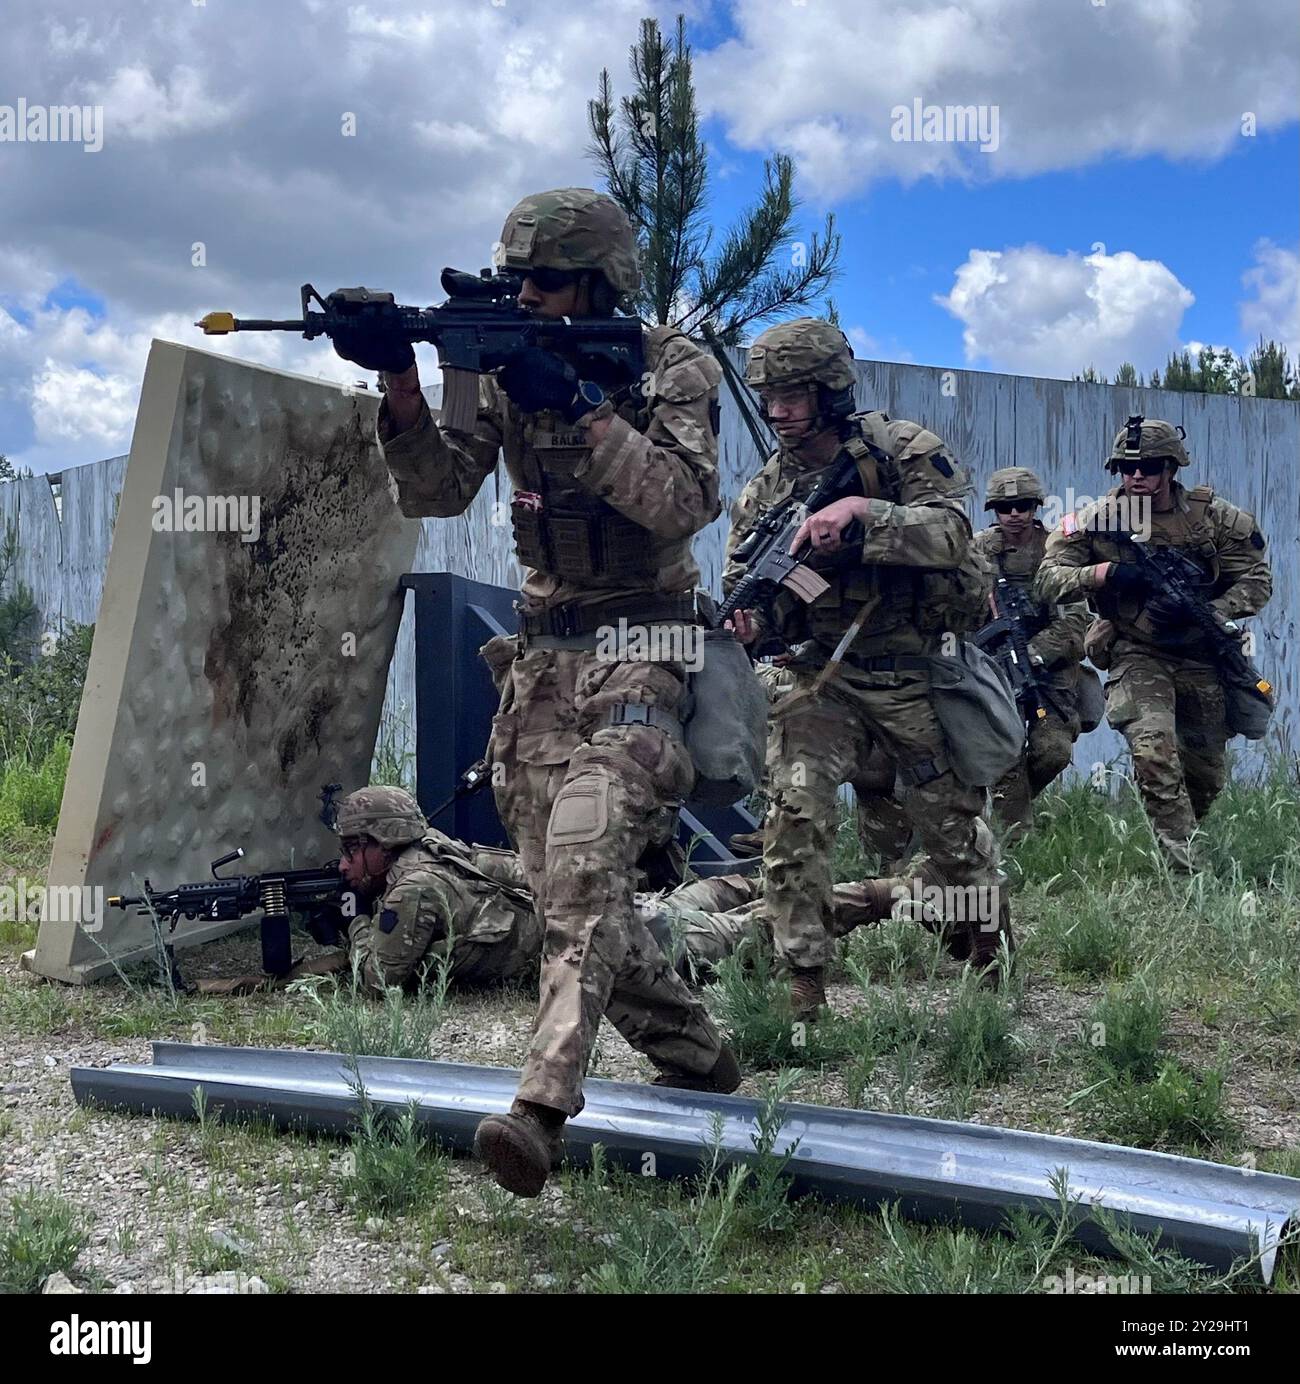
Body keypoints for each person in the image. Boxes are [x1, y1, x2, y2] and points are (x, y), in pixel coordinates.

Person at [334, 188, 738, 1198]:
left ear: (599, 284)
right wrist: (399, 375)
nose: (525, 294)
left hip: (646, 641)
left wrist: (572, 400)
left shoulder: (666, 367)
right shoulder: (499, 366)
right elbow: (437, 487)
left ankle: (541, 1105)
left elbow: (682, 501)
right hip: (542, 662)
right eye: (514, 279)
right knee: (572, 898)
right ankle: (698, 1053)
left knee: (588, 854)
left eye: (545, 281)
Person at [723, 318, 1008, 1016]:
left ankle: (986, 941)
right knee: (795, 813)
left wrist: (864, 513)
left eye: (794, 394)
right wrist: (752, 621)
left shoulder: (903, 451)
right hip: (822, 677)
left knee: (952, 833)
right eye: (770, 396)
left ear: (829, 391)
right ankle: (804, 976)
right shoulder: (766, 494)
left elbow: (952, 533)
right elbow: (748, 586)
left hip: (914, 672)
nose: (781, 409)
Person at [1035, 417, 1272, 871]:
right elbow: (1047, 580)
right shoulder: (1094, 519)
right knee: (1153, 751)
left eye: (1148, 466)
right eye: (1127, 467)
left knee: (1204, 774)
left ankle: (1180, 839)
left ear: (1171, 469)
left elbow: (1258, 578)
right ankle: (1185, 871)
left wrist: (1215, 610)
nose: (1136, 475)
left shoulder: (1214, 517)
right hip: (1136, 650)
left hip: (1202, 652)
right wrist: (1107, 573)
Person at [973, 467, 1089, 833]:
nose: (1014, 514)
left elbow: (1077, 622)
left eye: (1022, 505)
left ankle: (1008, 814)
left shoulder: (1057, 549)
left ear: (1035, 507)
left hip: (1049, 670)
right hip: (993, 667)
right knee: (1004, 755)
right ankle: (1014, 839)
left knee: (1053, 751)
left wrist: (1035, 653)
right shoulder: (977, 551)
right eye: (1004, 507)